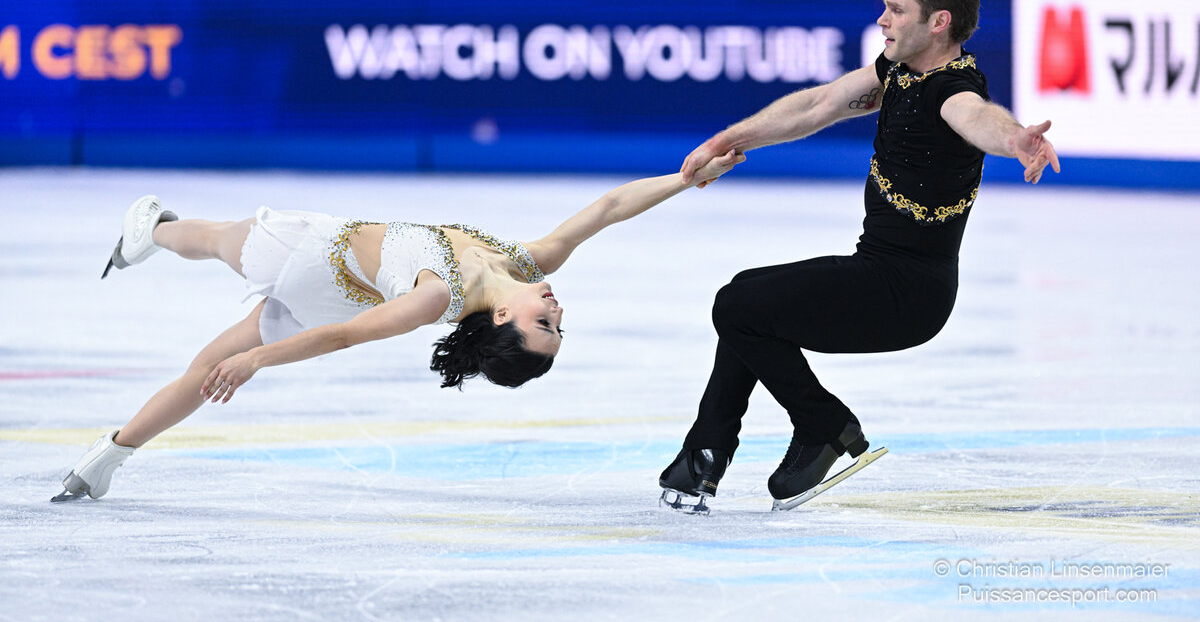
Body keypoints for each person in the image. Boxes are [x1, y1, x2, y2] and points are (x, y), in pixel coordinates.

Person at [53, 155, 743, 502]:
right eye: (559, 325)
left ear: (504, 318)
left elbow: (345, 339)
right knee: (205, 367)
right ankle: (105, 460)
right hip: (332, 296)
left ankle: (151, 229)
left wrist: (260, 360)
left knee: (207, 238)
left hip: (307, 255)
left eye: (546, 324)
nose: (557, 311)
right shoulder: (529, 261)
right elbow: (612, 207)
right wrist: (687, 178)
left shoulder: (435, 295)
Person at [658, 0, 1060, 513]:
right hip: (878, 273)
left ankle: (821, 424)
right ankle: (704, 456)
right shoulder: (897, 71)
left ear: (938, 22)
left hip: (907, 293)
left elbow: (978, 117)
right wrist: (726, 142)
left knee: (739, 305)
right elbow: (817, 105)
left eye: (897, 10)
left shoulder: (951, 91)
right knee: (747, 302)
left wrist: (1015, 139)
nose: (882, 19)